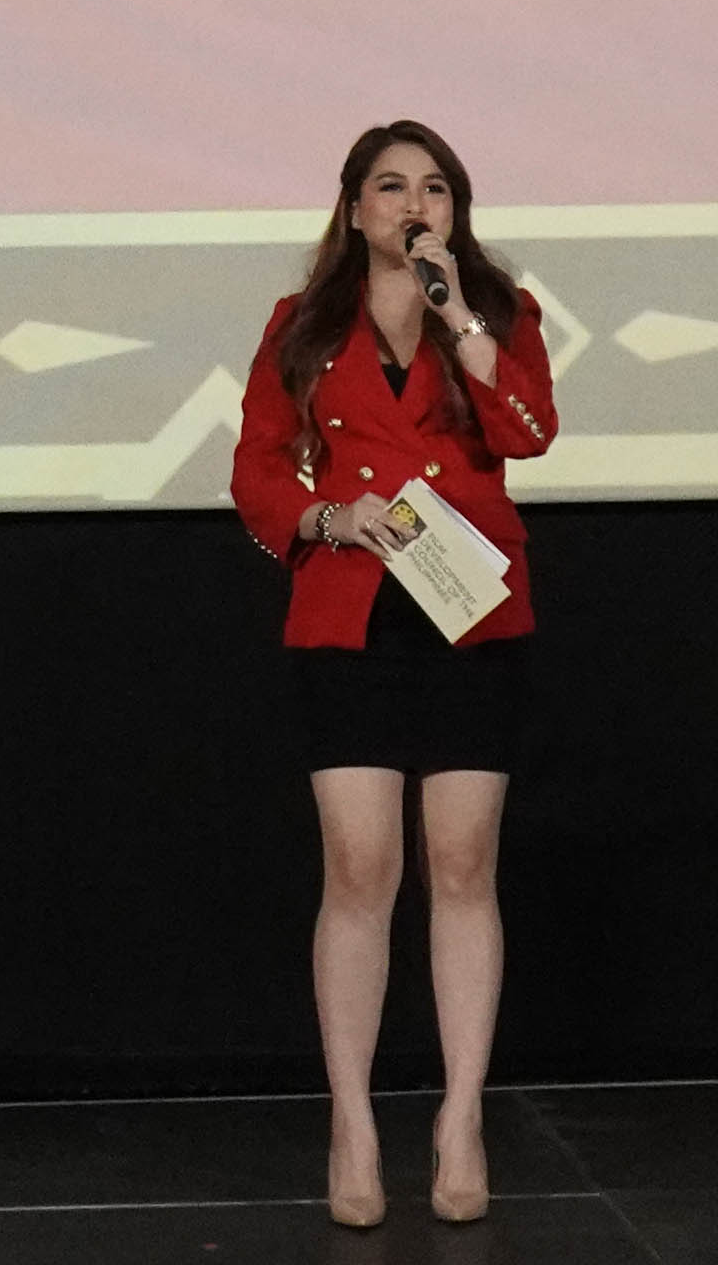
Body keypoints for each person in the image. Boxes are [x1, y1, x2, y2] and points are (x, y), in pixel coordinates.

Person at [234, 119, 560, 1229]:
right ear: (353, 207)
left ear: (454, 211)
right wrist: (327, 516)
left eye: (435, 189)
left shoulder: (498, 315)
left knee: (462, 864)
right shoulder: (300, 325)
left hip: (472, 615)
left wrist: (459, 314)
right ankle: (353, 1122)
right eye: (390, 186)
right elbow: (257, 467)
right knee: (360, 866)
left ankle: (460, 1116)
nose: (413, 204)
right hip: (352, 611)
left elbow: (530, 431)